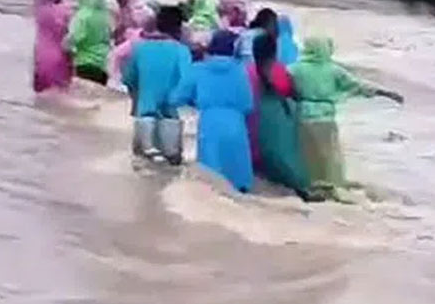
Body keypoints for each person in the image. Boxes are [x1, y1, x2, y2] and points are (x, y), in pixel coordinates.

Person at [289, 37, 403, 196]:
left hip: (303, 117)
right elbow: (358, 86)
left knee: (307, 156)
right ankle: (332, 188)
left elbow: (279, 84)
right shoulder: (333, 70)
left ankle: (311, 187)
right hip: (326, 119)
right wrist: (385, 93)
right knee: (329, 158)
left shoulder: (295, 69)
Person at [170, 30, 254, 192]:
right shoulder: (241, 70)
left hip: (210, 124)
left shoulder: (198, 69)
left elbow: (176, 97)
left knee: (211, 183)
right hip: (236, 125)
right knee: (239, 184)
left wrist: (193, 102)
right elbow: (248, 104)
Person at [123, 7, 191, 163]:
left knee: (139, 172)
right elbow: (187, 84)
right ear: (178, 28)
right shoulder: (181, 51)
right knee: (169, 174)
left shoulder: (139, 48)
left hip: (143, 120)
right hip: (169, 122)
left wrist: (137, 101)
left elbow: (128, 79)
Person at [247, 34, 310, 197]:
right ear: (275, 53)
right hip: (275, 148)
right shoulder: (281, 72)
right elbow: (298, 97)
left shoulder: (245, 72)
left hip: (250, 145)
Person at [66, 0, 112, 85]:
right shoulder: (105, 17)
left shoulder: (82, 16)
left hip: (84, 64)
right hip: (102, 67)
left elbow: (70, 40)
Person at [33, 0, 73, 93]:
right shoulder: (63, 11)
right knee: (60, 94)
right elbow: (67, 35)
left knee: (41, 96)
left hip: (40, 57)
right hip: (58, 57)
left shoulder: (39, 11)